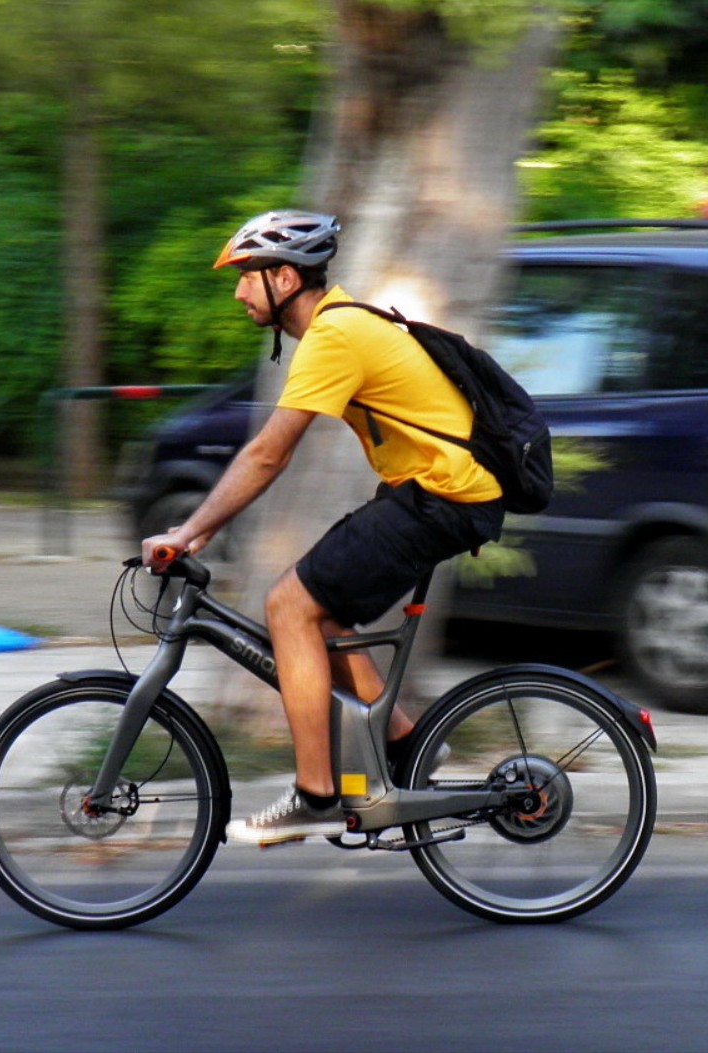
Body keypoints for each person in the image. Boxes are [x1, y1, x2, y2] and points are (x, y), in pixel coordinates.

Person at [142, 209, 505, 845]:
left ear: (284, 276)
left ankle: (316, 793)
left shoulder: (335, 334)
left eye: (247, 277)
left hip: (442, 498)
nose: (238, 291)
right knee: (324, 615)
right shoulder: (341, 327)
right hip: (433, 496)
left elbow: (267, 453)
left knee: (288, 605)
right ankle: (406, 744)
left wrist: (191, 530)